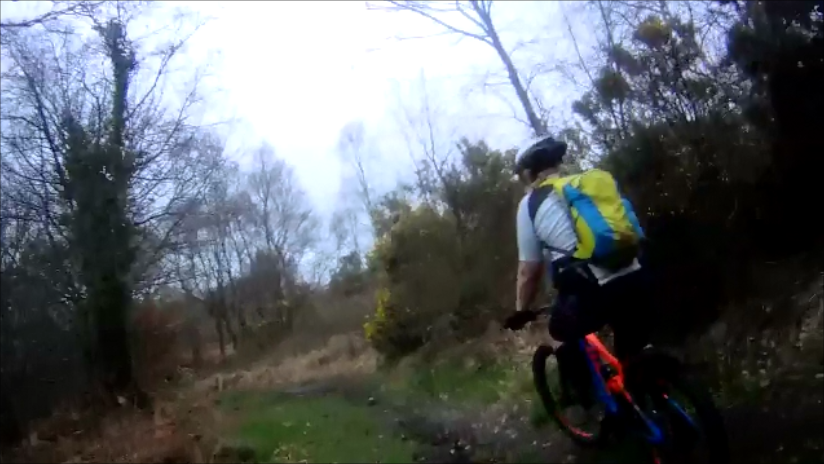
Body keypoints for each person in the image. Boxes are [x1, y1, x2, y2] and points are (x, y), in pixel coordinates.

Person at [504, 134, 654, 408]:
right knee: (632, 359)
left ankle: (585, 399)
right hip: (636, 272)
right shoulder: (584, 185)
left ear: (527, 172)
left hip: (596, 291)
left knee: (558, 331)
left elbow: (529, 270)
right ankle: (650, 407)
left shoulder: (529, 205)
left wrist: (521, 310)